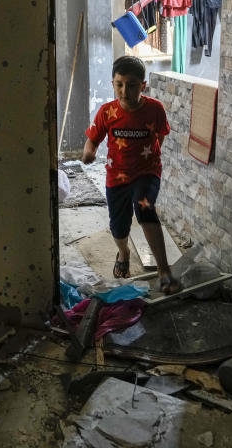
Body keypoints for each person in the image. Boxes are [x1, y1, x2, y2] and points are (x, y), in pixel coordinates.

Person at [82, 56, 182, 294]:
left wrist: (150, 157)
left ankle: (164, 270)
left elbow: (160, 135)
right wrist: (89, 152)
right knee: (119, 226)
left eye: (132, 85)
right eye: (119, 84)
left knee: (144, 206)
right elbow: (93, 139)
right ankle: (124, 253)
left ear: (143, 86)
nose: (124, 91)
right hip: (116, 176)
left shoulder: (155, 109)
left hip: (147, 173)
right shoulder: (107, 112)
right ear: (113, 83)